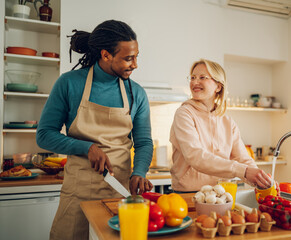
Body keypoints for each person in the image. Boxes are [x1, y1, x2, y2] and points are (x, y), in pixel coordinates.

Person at [36, 20, 154, 240]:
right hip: (78, 193)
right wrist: (86, 147)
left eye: (136, 56)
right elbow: (44, 135)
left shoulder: (136, 93)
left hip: (120, 192)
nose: (135, 64)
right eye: (128, 58)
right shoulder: (69, 83)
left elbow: (144, 141)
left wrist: (139, 172)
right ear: (106, 55)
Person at [170, 59, 274, 192]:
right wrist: (243, 171)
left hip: (221, 193)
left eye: (202, 77)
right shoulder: (184, 113)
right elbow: (195, 156)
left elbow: (242, 158)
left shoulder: (227, 122)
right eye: (192, 78)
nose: (195, 82)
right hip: (190, 193)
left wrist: (262, 178)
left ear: (218, 86)